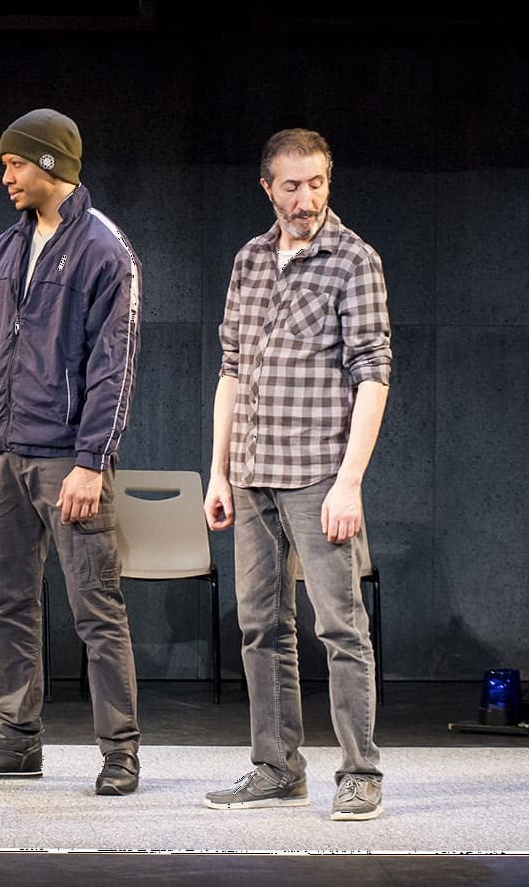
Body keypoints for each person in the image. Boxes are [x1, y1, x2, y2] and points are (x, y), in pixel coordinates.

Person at [0, 109, 144, 797]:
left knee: (96, 608)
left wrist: (92, 461)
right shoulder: (3, 250)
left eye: (16, 164)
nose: (6, 176)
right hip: (1, 452)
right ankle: (14, 742)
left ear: (50, 165)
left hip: (68, 461)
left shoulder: (105, 249)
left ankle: (119, 753)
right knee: (8, 604)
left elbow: (115, 366)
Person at [202, 128, 392, 822]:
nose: (306, 198)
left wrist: (350, 481)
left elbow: (373, 375)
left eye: (317, 183)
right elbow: (231, 371)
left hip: (318, 475)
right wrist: (218, 472)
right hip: (251, 474)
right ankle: (277, 768)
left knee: (340, 628)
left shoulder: (354, 260)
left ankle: (360, 773)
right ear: (267, 187)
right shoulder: (249, 260)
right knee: (260, 628)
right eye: (292, 185)